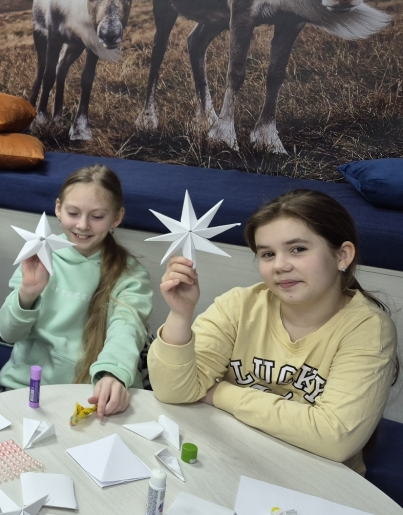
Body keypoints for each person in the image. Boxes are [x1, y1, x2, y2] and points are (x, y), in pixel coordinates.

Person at [148, 189, 397, 474]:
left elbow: (336, 438)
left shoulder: (369, 329)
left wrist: (219, 394)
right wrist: (180, 314)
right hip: (234, 459)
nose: (280, 265)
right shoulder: (238, 305)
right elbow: (173, 390)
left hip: (318, 479)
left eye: (298, 249)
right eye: (267, 254)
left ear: (342, 255)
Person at [0, 165, 152, 416]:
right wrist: (28, 292)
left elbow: (127, 329)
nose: (82, 225)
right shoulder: (38, 256)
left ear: (116, 218)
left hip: (95, 395)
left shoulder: (131, 275)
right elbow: (8, 333)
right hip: (28, 389)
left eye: (97, 216)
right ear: (58, 209)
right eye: (73, 213)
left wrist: (112, 374)